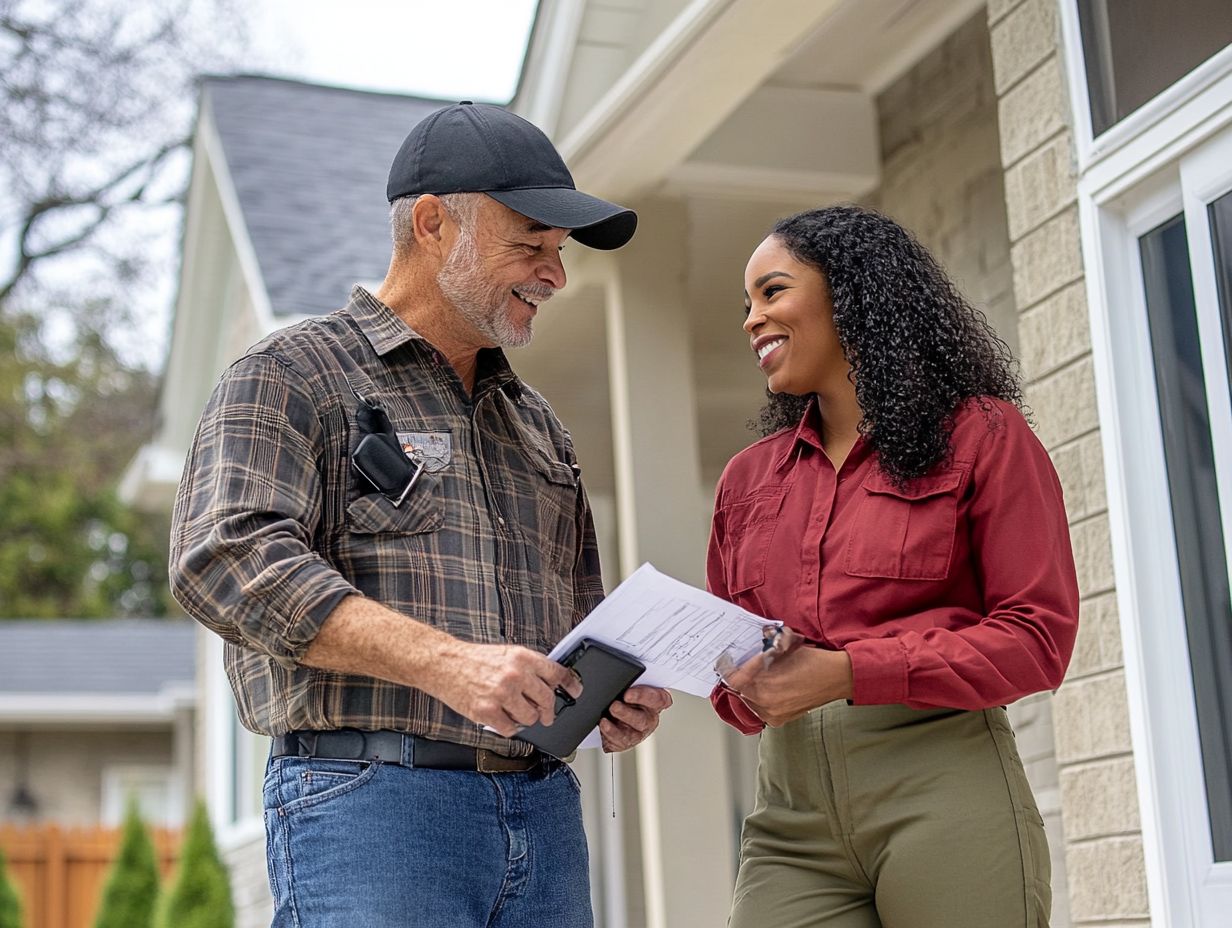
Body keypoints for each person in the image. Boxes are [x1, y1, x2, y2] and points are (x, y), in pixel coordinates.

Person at [170, 102, 672, 928]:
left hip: (544, 814)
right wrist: (448, 665)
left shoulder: (536, 424)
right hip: (373, 810)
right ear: (434, 225)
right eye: (531, 244)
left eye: (558, 252)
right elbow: (224, 560)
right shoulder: (291, 374)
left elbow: (576, 625)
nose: (556, 274)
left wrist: (605, 697)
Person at [708, 205, 1078, 928]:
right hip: (790, 816)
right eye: (745, 304)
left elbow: (1038, 640)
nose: (752, 319)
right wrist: (736, 678)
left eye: (772, 292)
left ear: (849, 293)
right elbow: (731, 674)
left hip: (943, 788)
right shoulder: (747, 482)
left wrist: (849, 671)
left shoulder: (982, 437)